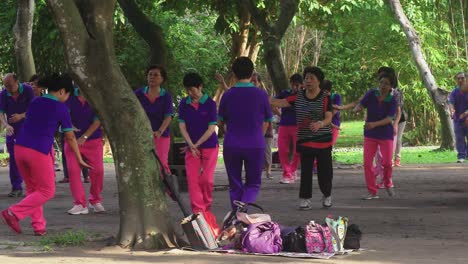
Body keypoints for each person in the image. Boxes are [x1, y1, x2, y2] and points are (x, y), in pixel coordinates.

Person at [1, 73, 90, 236]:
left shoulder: (35, 102)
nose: (67, 98)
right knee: (47, 191)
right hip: (38, 151)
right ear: (62, 91)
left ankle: (39, 227)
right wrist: (79, 158)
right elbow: (70, 137)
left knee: (33, 190)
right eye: (68, 94)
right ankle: (13, 213)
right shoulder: (61, 108)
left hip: (20, 148)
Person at [271, 67, 334, 209]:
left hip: (323, 141)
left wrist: (320, 123)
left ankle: (327, 195)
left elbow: (329, 116)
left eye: (312, 78)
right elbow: (280, 103)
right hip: (305, 141)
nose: (308, 81)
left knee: (325, 172)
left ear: (319, 81)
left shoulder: (325, 97)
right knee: (305, 171)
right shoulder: (297, 96)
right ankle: (305, 198)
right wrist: (260, 96)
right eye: (306, 78)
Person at [218, 57, 273, 209]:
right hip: (255, 144)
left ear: (234, 74)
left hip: (232, 144)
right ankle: (241, 211)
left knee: (235, 184)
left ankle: (237, 217)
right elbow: (267, 121)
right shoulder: (261, 95)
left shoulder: (228, 95)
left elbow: (220, 121)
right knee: (253, 183)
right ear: (252, 73)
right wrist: (258, 136)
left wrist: (227, 131)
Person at [178, 72, 220, 236]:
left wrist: (197, 144)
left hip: (209, 146)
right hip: (191, 149)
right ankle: (198, 213)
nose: (190, 93)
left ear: (200, 86)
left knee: (206, 180)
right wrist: (190, 145)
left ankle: (206, 209)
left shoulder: (210, 104)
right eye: (188, 90)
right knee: (193, 181)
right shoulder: (184, 103)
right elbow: (182, 127)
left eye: (193, 90)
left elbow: (211, 128)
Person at [353, 73, 397, 200]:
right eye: (381, 82)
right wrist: (357, 108)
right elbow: (361, 104)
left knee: (387, 163)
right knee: (367, 163)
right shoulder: (371, 93)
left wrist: (374, 124)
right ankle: (372, 191)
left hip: (385, 134)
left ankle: (388, 183)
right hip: (370, 134)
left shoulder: (392, 100)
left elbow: (389, 119)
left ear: (391, 87)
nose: (383, 86)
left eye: (386, 84)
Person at [65, 87, 105, 215]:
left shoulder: (96, 98)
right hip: (72, 140)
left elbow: (97, 121)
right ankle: (79, 204)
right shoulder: (69, 96)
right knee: (73, 170)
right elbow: (62, 115)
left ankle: (95, 199)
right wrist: (68, 125)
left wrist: (84, 137)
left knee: (98, 171)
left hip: (93, 140)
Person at [0, 73, 34, 198]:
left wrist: (21, 116)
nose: (8, 88)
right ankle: (16, 187)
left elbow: (34, 109)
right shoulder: (4, 94)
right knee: (14, 158)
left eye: (10, 85)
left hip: (28, 128)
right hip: (12, 130)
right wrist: (6, 125)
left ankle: (34, 186)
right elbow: (1, 113)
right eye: (5, 86)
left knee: (30, 157)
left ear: (17, 81)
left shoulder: (28, 90)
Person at [135, 65, 174, 173]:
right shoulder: (139, 93)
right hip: (142, 135)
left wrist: (160, 131)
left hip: (161, 136)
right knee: (144, 165)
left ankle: (167, 189)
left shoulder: (166, 96)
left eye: (156, 75)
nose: (152, 77)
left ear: (162, 79)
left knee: (162, 164)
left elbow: (168, 116)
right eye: (150, 74)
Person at [275, 73, 303, 184]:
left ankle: (293, 171)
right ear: (290, 84)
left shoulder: (305, 95)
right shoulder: (285, 93)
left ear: (302, 85)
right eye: (293, 85)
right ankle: (287, 173)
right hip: (284, 125)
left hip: (298, 125)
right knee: (282, 150)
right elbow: (273, 102)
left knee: (298, 150)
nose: (295, 87)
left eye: (298, 85)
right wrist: (279, 114)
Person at [251, 72, 274, 179]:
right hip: (253, 128)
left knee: (267, 151)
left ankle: (268, 171)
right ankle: (256, 171)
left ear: (259, 83)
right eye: (251, 81)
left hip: (265, 128)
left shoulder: (264, 95)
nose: (253, 83)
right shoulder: (247, 96)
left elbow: (268, 115)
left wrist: (262, 132)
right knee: (254, 152)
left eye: (255, 81)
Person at [449, 72, 468, 163]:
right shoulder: (454, 92)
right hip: (458, 119)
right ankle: (461, 156)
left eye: (462, 78)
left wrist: (466, 114)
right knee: (459, 137)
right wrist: (452, 110)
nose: (460, 80)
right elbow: (451, 103)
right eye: (458, 78)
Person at [321, 80, 341, 145]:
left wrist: (326, 118)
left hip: (334, 124)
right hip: (321, 125)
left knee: (329, 145)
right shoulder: (319, 98)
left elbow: (335, 110)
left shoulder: (336, 97)